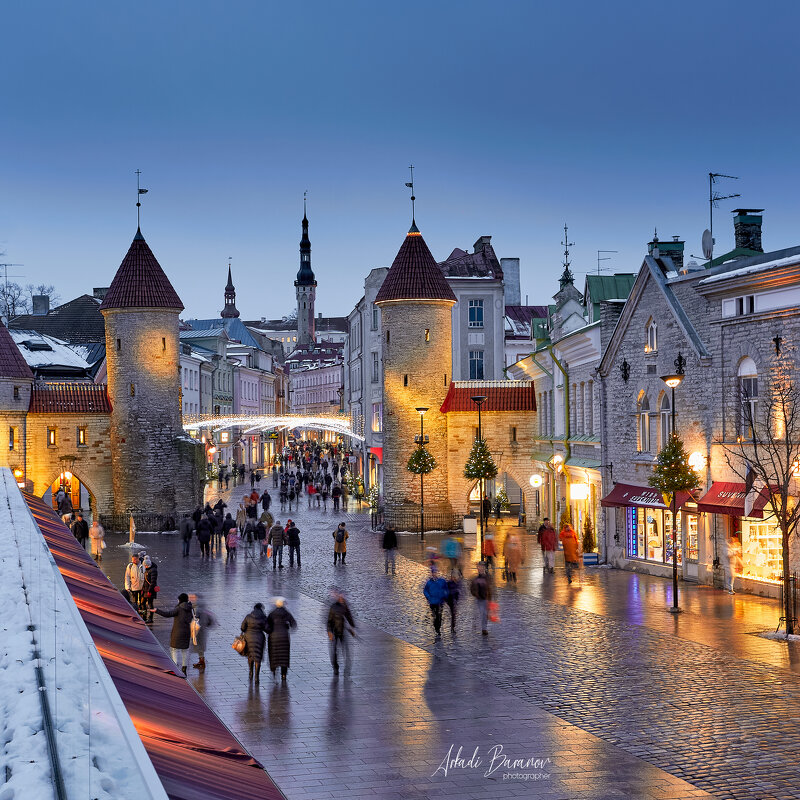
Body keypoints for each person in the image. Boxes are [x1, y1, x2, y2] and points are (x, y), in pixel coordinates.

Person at [155, 593, 194, 675]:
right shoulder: (191, 608)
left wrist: (157, 610)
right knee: (185, 651)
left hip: (177, 632)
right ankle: (184, 668)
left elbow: (168, 614)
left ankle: (175, 668)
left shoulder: (179, 608)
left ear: (180, 600)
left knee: (174, 649)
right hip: (186, 632)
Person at [266, 598, 297, 682]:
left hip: (273, 637)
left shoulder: (271, 614)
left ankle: (274, 672)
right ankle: (284, 675)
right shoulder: (286, 613)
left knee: (274, 655)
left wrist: (270, 631)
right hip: (284, 637)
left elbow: (266, 626)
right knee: (284, 656)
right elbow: (293, 624)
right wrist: (287, 627)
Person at [327, 591, 356, 675]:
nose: (342, 599)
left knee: (346, 650)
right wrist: (329, 632)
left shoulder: (345, 606)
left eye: (343, 598)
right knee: (335, 651)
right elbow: (329, 621)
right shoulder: (333, 607)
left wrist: (352, 628)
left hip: (343, 632)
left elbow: (349, 617)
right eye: (341, 598)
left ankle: (347, 667)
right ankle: (335, 667)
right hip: (335, 631)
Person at [241, 603, 268, 684]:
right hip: (259, 638)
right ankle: (257, 677)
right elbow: (267, 629)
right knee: (258, 657)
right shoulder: (263, 617)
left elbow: (242, 627)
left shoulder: (248, 616)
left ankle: (250, 672)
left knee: (250, 656)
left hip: (248, 638)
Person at [189, 593, 216, 671]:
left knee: (198, 646)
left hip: (198, 631)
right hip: (203, 630)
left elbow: (194, 619)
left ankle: (202, 662)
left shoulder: (197, 609)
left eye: (193, 597)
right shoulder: (205, 609)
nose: (191, 598)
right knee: (200, 647)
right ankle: (201, 661)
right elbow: (210, 621)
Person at [423, 567, 449, 639]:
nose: (435, 574)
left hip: (440, 601)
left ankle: (438, 628)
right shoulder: (429, 582)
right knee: (435, 615)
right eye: (433, 572)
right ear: (432, 573)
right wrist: (429, 597)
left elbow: (446, 589)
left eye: (436, 572)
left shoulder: (442, 581)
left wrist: (445, 595)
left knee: (439, 615)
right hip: (432, 602)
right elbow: (425, 591)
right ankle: (436, 627)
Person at [470, 562, 493, 636]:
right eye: (479, 567)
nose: (480, 569)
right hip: (479, 598)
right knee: (482, 613)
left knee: (485, 613)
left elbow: (491, 587)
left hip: (486, 598)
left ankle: (484, 628)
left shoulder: (488, 577)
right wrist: (475, 594)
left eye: (482, 567)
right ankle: (480, 626)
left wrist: (492, 596)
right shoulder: (475, 578)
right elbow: (472, 588)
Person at [141, 556, 158, 623]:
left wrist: (149, 591)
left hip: (150, 590)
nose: (144, 566)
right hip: (146, 589)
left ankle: (150, 618)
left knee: (150, 604)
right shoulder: (148, 570)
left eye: (145, 565)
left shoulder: (153, 570)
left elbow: (153, 582)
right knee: (143, 603)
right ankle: (144, 616)